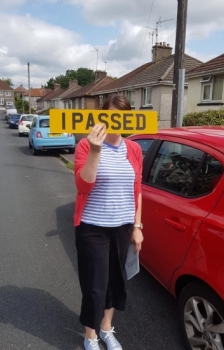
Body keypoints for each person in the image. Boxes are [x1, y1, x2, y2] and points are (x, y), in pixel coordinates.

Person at [74, 94, 144, 350]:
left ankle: (106, 329)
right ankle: (89, 335)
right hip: (92, 228)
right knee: (95, 285)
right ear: (102, 117)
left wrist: (137, 226)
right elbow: (83, 186)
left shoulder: (134, 149)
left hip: (122, 227)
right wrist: (95, 150)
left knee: (115, 282)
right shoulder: (85, 145)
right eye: (111, 116)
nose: (116, 122)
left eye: (122, 116)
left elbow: (137, 190)